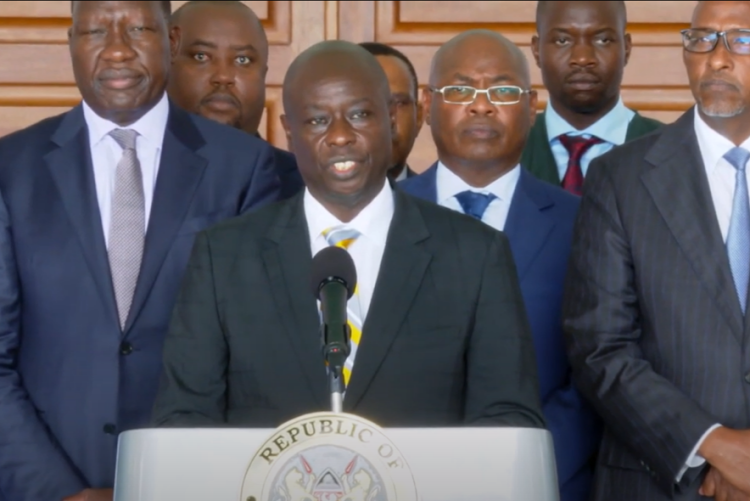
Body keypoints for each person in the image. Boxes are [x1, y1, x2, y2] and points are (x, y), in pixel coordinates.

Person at [151, 41, 544, 432]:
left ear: (391, 119)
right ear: (289, 132)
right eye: (318, 120)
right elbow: (185, 419)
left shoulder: (475, 254)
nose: (340, 136)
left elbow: (508, 420)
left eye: (359, 114)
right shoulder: (224, 257)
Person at [0, 1, 281, 500]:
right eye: (95, 32)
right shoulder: (10, 170)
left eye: (137, 29)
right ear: (71, 44)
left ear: (171, 42)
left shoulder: (245, 169)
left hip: (195, 484)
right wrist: (60, 490)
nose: (116, 51)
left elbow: (258, 357)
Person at [399, 29, 599, 501]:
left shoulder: (585, 223)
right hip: (403, 475)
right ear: (427, 105)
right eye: (461, 89)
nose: (482, 105)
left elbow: (595, 368)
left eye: (503, 91)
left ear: (531, 107)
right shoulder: (383, 216)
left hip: (545, 476)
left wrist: (529, 467)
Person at [563, 1, 750, 500]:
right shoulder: (618, 178)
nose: (718, 58)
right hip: (657, 483)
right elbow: (598, 347)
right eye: (702, 40)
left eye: (741, 40)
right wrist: (714, 446)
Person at [522, 0, 662, 193]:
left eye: (602, 40)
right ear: (536, 50)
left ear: (626, 49)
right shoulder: (506, 148)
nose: (582, 58)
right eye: (562, 40)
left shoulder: (673, 150)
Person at [168, 0, 303, 199]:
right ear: (164, 66)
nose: (223, 77)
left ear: (263, 75)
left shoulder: (302, 187)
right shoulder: (131, 173)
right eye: (201, 56)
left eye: (243, 60)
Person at [359, 42, 423, 181]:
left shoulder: (439, 202)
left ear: (418, 118)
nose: (387, 119)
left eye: (399, 103)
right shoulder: (302, 200)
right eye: (366, 105)